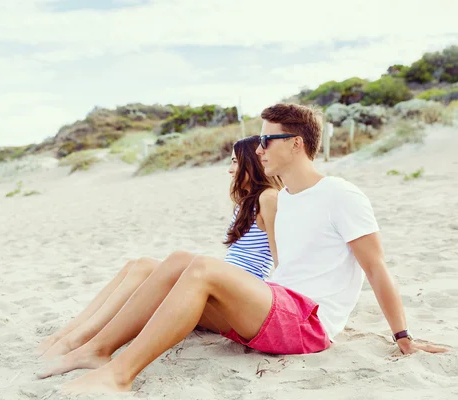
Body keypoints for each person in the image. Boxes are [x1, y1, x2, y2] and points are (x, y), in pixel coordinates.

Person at [48, 103, 448, 395]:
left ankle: (121, 374)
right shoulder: (285, 198)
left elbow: (377, 268)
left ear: (295, 143)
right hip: (276, 308)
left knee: (202, 267)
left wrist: (404, 336)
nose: (258, 149)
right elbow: (281, 266)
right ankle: (99, 349)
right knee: (178, 262)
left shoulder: (341, 194)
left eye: (265, 140)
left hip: (310, 324)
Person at [35, 135, 283, 361]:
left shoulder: (268, 198)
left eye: (236, 163)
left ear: (253, 163)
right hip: (221, 291)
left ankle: (80, 340)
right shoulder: (245, 202)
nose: (230, 170)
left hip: (240, 299)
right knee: (139, 265)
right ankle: (70, 333)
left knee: (151, 267)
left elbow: (279, 257)